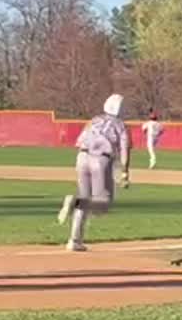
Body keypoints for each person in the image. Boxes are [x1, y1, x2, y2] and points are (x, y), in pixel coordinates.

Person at [55, 93, 131, 252]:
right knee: (103, 204)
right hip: (101, 160)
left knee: (84, 198)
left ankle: (74, 240)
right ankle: (73, 204)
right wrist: (124, 172)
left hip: (82, 157)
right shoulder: (121, 126)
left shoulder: (95, 120)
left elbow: (81, 139)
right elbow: (124, 150)